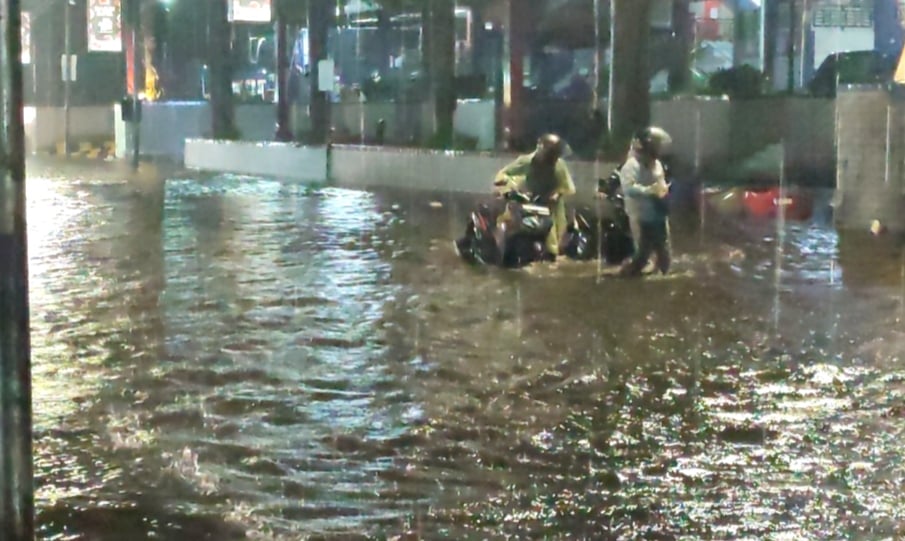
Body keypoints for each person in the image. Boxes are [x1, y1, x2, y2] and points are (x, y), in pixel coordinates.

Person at [492, 133, 577, 260]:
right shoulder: (526, 162)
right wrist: (510, 185)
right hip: (527, 203)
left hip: (551, 208)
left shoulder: (559, 166)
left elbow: (567, 187)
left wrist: (557, 193)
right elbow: (503, 174)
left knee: (555, 243)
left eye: (555, 156)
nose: (553, 160)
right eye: (551, 155)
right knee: (509, 225)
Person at [618, 126, 673, 276]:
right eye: (656, 145)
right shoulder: (631, 165)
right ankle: (627, 274)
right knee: (643, 252)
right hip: (641, 215)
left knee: (664, 252)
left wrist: (663, 190)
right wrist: (649, 190)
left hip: (658, 212)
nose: (659, 148)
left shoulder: (657, 164)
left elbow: (661, 182)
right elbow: (629, 188)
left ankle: (661, 272)